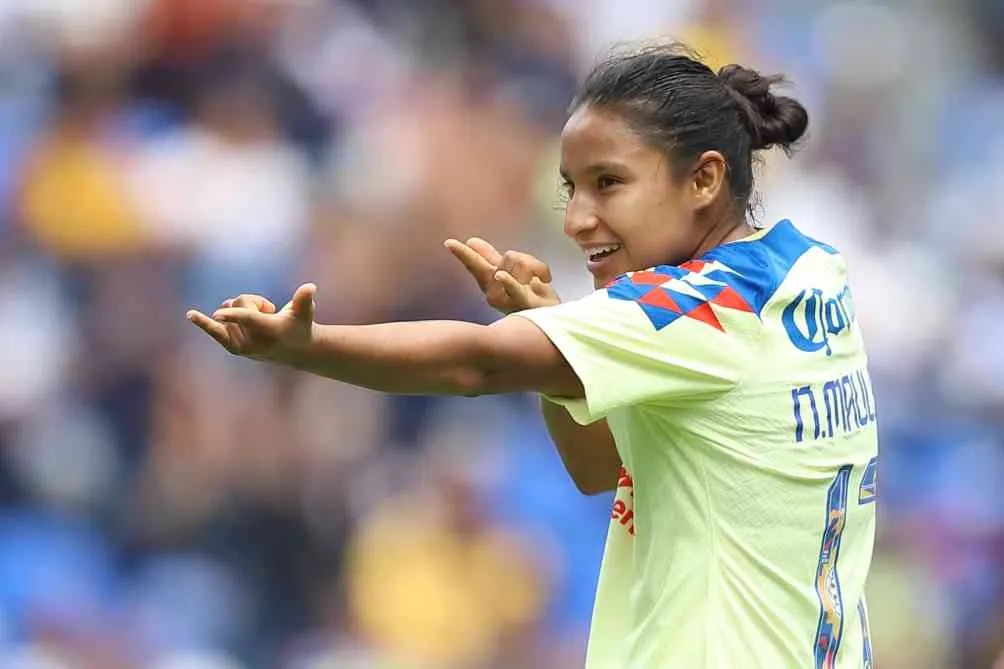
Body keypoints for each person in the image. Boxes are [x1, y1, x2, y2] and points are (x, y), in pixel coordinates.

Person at [188, 44, 878, 669]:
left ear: (703, 180)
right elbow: (602, 465)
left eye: (609, 183)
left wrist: (310, 347)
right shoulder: (812, 274)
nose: (577, 218)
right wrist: (559, 339)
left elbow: (477, 364)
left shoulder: (695, 307)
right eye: (570, 188)